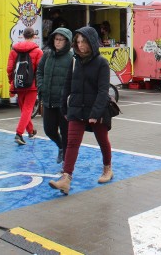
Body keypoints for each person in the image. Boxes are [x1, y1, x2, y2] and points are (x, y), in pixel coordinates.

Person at [49, 26, 114, 195]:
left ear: (91, 42)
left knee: (102, 140)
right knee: (71, 143)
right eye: (78, 42)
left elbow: (103, 91)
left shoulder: (101, 63)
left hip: (96, 110)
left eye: (84, 42)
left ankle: (107, 168)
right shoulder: (74, 61)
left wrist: (95, 113)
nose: (81, 45)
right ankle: (66, 178)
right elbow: (67, 85)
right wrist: (64, 105)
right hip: (76, 108)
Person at [36, 27, 73, 164]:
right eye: (56, 39)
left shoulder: (71, 58)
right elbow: (39, 71)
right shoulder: (47, 55)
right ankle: (61, 147)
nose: (57, 42)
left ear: (67, 41)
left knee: (66, 133)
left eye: (61, 40)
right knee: (49, 130)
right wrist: (41, 86)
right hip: (48, 100)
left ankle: (66, 164)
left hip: (64, 104)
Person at [7, 27, 43, 145]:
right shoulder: (38, 51)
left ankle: (31, 131)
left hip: (19, 83)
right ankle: (19, 133)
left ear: (23, 35)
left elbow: (9, 69)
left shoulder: (14, 51)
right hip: (32, 85)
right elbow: (40, 70)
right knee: (28, 109)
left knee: (24, 110)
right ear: (34, 36)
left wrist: (11, 81)